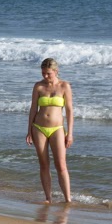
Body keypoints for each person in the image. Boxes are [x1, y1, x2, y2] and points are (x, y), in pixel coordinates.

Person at [26, 57, 74, 204]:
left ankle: (68, 198)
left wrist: (70, 133)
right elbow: (33, 108)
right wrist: (29, 131)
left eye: (48, 73)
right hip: (39, 128)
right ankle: (48, 197)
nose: (45, 76)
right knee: (44, 164)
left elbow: (69, 110)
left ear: (56, 71)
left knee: (61, 165)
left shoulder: (64, 86)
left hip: (57, 128)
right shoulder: (38, 86)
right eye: (43, 73)